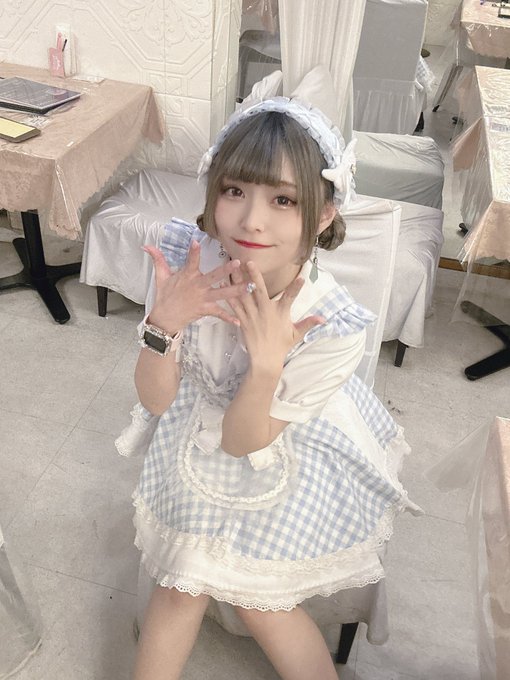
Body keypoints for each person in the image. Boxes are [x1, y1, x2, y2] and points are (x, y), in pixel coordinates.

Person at [117, 97, 419, 680]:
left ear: (325, 214)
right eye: (235, 191)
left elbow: (242, 441)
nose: (252, 221)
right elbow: (156, 401)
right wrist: (164, 324)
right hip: (193, 432)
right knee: (179, 587)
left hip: (283, 444)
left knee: (264, 605)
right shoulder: (188, 265)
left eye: (283, 200)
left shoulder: (330, 326)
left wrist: (265, 366)